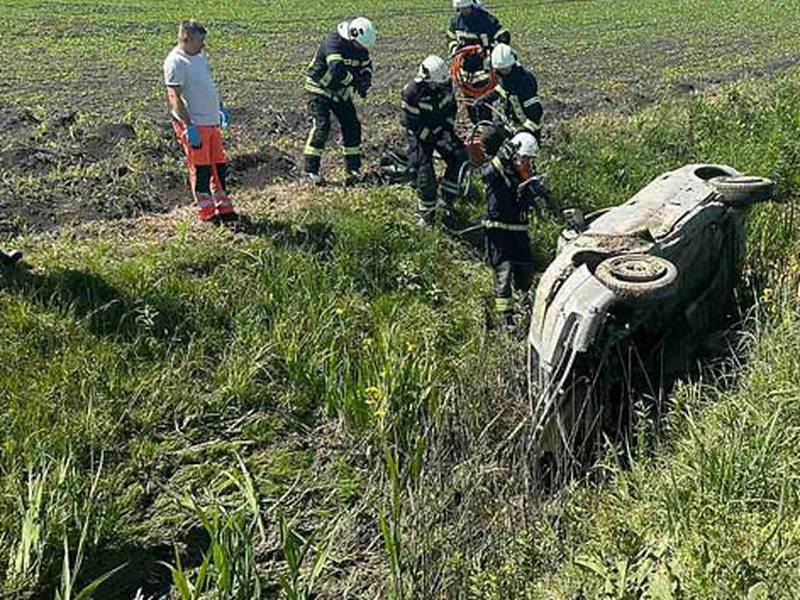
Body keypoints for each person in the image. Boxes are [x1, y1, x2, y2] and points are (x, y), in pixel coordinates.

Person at [164, 20, 236, 223]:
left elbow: (207, 84)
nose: (203, 44)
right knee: (201, 169)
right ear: (186, 39)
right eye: (200, 40)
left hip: (211, 121)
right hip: (195, 124)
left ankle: (224, 208)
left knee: (218, 166)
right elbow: (174, 98)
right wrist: (189, 126)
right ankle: (207, 213)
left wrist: (218, 107)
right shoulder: (175, 62)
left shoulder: (199, 56)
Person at [303, 17, 376, 185]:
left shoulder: (361, 48)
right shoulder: (333, 42)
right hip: (319, 88)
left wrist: (365, 80)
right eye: (360, 45)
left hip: (339, 92)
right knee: (322, 126)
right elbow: (337, 69)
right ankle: (311, 170)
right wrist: (354, 81)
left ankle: (353, 169)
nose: (362, 49)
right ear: (353, 36)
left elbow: (366, 66)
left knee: (352, 125)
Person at [481, 132, 539, 327]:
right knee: (503, 276)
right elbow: (485, 174)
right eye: (526, 160)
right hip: (499, 233)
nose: (528, 165)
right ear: (515, 157)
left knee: (526, 272)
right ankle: (507, 322)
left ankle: (526, 310)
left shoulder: (523, 177)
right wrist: (501, 157)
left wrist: (538, 193)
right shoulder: (499, 171)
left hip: (519, 233)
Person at [401, 55, 468, 226]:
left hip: (440, 129)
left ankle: (446, 201)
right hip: (420, 134)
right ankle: (426, 215)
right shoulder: (411, 93)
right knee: (424, 171)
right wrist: (431, 137)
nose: (440, 87)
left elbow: (451, 109)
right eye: (436, 84)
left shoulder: (444, 85)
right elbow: (413, 124)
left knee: (460, 157)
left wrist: (446, 130)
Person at [447, 0, 510, 124]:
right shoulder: (455, 22)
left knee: (483, 103)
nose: (464, 11)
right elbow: (450, 37)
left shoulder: (485, 19)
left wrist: (488, 49)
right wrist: (456, 49)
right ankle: (476, 127)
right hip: (465, 71)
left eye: (466, 8)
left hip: (483, 70)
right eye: (461, 8)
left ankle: (486, 127)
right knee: (470, 103)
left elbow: (503, 36)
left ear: (471, 5)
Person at [482, 44, 543, 158]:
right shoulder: (507, 77)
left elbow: (536, 114)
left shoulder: (525, 82)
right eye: (500, 70)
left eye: (505, 69)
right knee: (489, 139)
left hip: (527, 129)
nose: (503, 73)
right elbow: (502, 90)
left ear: (513, 64)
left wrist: (522, 131)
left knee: (516, 157)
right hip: (510, 124)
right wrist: (485, 99)